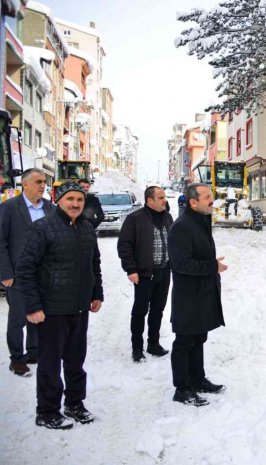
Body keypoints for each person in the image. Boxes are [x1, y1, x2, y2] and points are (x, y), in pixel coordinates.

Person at [17, 181, 103, 429]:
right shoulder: (42, 228)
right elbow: (26, 268)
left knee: (76, 361)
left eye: (79, 200)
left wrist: (97, 293)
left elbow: (94, 264)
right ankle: (47, 411)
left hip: (79, 308)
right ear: (58, 201)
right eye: (70, 200)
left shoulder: (87, 228)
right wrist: (33, 307)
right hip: (51, 310)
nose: (75, 204)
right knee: (50, 364)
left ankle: (74, 404)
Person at [168, 183, 226, 406]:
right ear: (193, 202)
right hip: (188, 296)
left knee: (199, 336)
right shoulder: (181, 227)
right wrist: (212, 267)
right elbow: (181, 264)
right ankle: (182, 388)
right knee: (184, 340)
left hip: (202, 293)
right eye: (207, 197)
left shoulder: (200, 220)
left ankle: (197, 379)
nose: (212, 199)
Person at [0, 168, 54, 376]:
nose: (43, 186)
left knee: (39, 314)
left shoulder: (49, 208)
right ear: (25, 184)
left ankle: (34, 351)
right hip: (19, 274)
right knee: (18, 318)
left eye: (44, 182)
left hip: (44, 275)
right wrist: (6, 273)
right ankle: (17, 358)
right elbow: (1, 242)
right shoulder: (9, 208)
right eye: (38, 181)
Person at [117, 186, 174, 362]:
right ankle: (137, 347)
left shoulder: (167, 217)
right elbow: (124, 245)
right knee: (140, 311)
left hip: (164, 272)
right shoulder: (135, 218)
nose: (165, 200)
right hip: (144, 274)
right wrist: (131, 269)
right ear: (150, 200)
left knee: (158, 310)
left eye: (164, 197)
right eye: (161, 197)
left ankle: (153, 343)